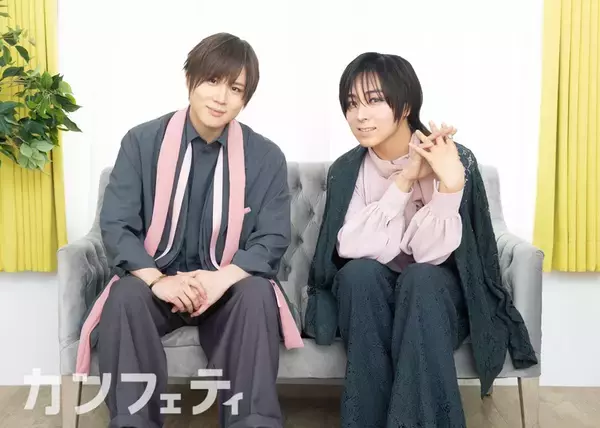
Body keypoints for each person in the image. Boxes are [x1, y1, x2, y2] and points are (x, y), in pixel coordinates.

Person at [74, 32, 304, 428]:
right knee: (126, 296)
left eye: (235, 88)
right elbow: (117, 224)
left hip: (226, 287)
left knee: (256, 294)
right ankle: (133, 422)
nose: (221, 97)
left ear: (245, 99)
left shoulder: (265, 156)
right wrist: (158, 281)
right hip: (158, 282)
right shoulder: (141, 142)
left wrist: (221, 280)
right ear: (189, 80)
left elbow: (272, 237)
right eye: (212, 80)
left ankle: (253, 422)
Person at [304, 52, 538, 427]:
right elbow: (350, 247)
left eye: (374, 100)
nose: (360, 115)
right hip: (372, 296)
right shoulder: (349, 169)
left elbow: (430, 255)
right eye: (351, 104)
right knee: (357, 275)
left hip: (436, 296)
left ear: (406, 105)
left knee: (421, 277)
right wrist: (404, 181)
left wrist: (450, 187)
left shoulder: (452, 158)